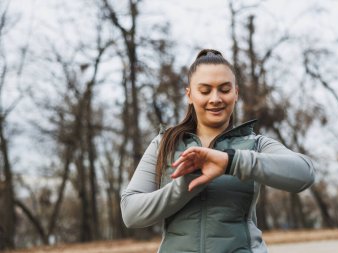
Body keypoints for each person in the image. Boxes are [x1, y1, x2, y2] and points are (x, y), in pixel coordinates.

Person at [120, 49, 316, 253]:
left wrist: (231, 162)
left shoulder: (255, 144)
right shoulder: (165, 143)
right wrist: (185, 184)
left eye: (224, 89)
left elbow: (305, 173)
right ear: (189, 95)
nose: (215, 99)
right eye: (205, 91)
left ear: (236, 93)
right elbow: (131, 213)